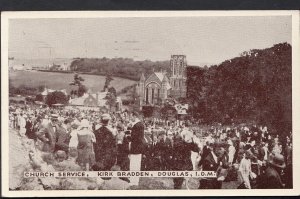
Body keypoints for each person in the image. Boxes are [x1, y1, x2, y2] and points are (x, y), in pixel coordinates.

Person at [128, 111, 145, 186]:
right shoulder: (139, 124)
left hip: (136, 148)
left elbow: (135, 138)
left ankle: (134, 181)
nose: (130, 118)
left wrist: (128, 136)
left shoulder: (137, 125)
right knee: (136, 164)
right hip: (138, 147)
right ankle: (135, 180)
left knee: (134, 164)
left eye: (131, 116)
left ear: (134, 116)